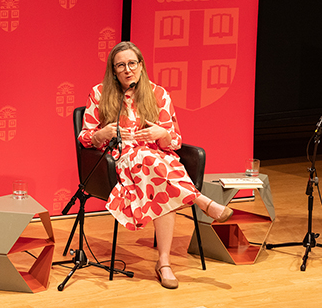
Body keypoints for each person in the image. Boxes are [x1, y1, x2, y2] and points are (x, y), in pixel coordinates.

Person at [78, 42, 233, 289]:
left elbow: (176, 140)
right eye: (121, 66)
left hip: (159, 161)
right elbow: (85, 137)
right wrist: (102, 133)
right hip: (123, 159)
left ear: (141, 65)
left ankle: (164, 261)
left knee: (159, 175)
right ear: (114, 70)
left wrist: (161, 133)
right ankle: (200, 205)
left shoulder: (158, 94)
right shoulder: (99, 93)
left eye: (132, 63)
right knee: (153, 165)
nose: (128, 70)